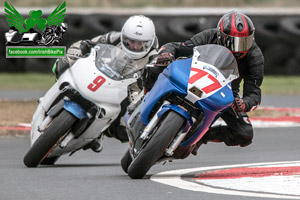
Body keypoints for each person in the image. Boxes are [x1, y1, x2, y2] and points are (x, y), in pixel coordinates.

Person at [144, 10, 264, 155]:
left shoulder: (255, 57)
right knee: (156, 65)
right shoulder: (209, 36)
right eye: (234, 42)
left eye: (245, 42)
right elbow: (179, 47)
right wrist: (166, 53)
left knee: (244, 134)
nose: (239, 49)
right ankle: (146, 98)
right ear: (221, 36)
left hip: (224, 93)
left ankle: (201, 137)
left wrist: (244, 104)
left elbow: (254, 93)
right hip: (194, 77)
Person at [53, 15, 159, 152]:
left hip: (129, 88)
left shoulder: (155, 58)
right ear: (124, 36)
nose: (135, 46)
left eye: (141, 43)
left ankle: (99, 132)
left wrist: (137, 102)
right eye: (131, 41)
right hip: (102, 71)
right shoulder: (114, 37)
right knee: (61, 66)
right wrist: (73, 55)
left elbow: (152, 86)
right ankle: (57, 93)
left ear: (149, 42)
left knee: (124, 130)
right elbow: (87, 44)